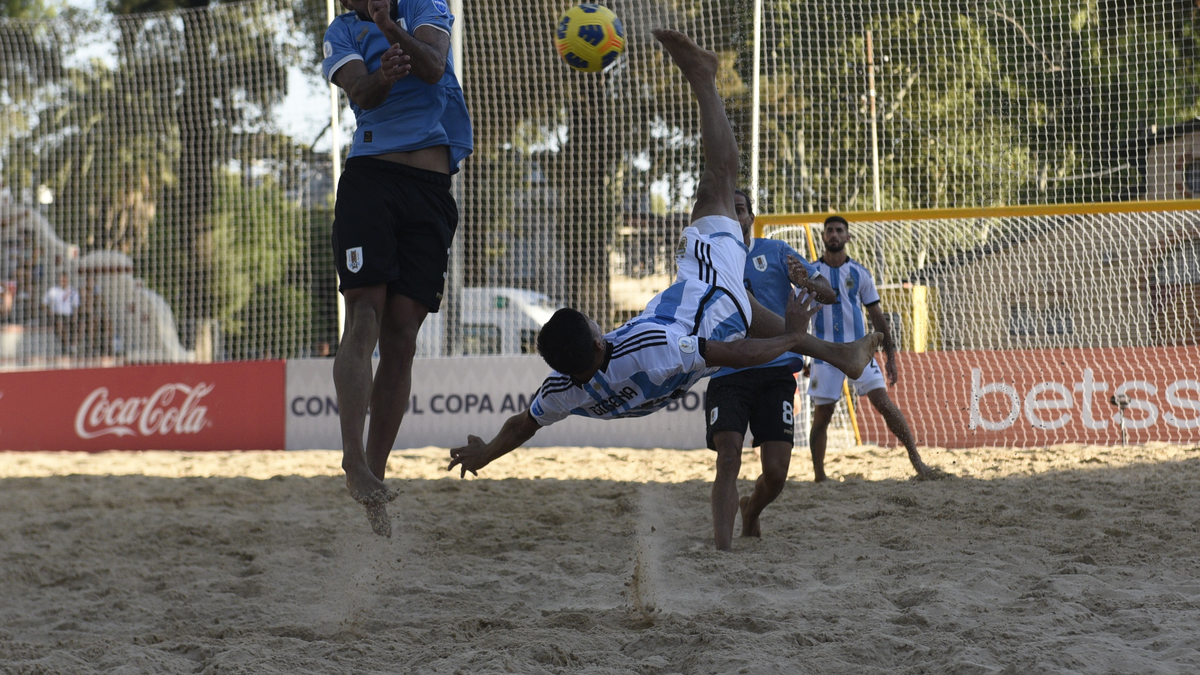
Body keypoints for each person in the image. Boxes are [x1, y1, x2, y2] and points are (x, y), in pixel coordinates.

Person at [447, 29, 882, 484]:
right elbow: (739, 355)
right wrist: (792, 337)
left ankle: (843, 355)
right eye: (597, 325)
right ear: (598, 341)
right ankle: (704, 77)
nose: (601, 325)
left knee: (747, 306)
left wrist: (486, 455)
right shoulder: (648, 349)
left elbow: (522, 424)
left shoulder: (562, 391)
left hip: (701, 314)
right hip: (710, 294)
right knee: (718, 182)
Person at [322, 0, 473, 535]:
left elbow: (434, 67)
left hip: (431, 189)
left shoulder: (422, 6)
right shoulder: (340, 32)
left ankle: (376, 478)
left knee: (404, 337)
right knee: (364, 315)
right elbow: (361, 93)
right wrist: (380, 71)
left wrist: (391, 31)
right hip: (372, 181)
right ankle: (352, 459)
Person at [703, 189, 835, 550]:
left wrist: (808, 281)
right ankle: (721, 552)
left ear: (750, 219)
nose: (735, 215)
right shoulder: (708, 260)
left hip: (776, 370)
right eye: (729, 210)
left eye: (741, 209)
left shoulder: (775, 251)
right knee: (728, 455)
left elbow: (829, 294)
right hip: (728, 370)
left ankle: (751, 511)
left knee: (776, 474)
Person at [807, 215, 946, 481]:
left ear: (848, 237)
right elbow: (801, 313)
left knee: (884, 403)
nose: (834, 235)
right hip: (824, 354)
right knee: (822, 416)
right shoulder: (812, 272)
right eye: (829, 231)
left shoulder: (860, 273)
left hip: (860, 351)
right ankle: (819, 477)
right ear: (823, 237)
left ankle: (918, 463)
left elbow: (878, 318)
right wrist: (802, 354)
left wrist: (889, 356)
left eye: (839, 231)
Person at [43, 272, 79, 356]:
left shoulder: (72, 291)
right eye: (61, 279)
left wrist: (75, 316)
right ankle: (66, 346)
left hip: (69, 316)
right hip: (57, 315)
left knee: (77, 326)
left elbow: (76, 306)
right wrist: (49, 313)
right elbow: (44, 304)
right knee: (59, 325)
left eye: (64, 279)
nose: (63, 281)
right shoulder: (53, 291)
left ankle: (72, 346)